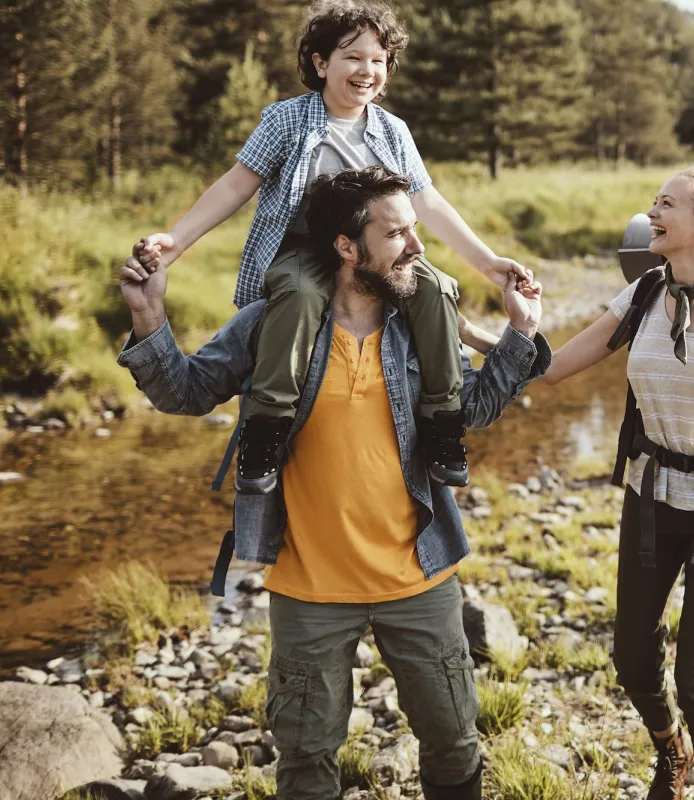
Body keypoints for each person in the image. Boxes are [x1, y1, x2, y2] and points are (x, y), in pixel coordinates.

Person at [118, 165, 551, 800]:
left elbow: (475, 410)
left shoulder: (419, 326)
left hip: (420, 578)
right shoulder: (272, 325)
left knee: (455, 745)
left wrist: (523, 329)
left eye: (413, 230)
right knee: (305, 762)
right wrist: (150, 315)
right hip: (308, 589)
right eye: (397, 234)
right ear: (347, 247)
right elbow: (184, 392)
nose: (417, 246)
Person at [463, 167, 694, 800]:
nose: (651, 213)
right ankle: (672, 748)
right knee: (632, 661)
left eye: (665, 204)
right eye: (654, 201)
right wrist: (471, 329)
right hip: (650, 499)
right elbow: (556, 369)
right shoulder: (644, 293)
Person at [130, 0, 532, 495]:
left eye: (378, 60)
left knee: (436, 286)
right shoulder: (287, 121)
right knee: (298, 296)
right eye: (352, 57)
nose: (367, 70)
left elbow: (427, 202)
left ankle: (443, 423)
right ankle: (266, 430)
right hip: (304, 250)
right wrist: (175, 241)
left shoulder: (392, 130)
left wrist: (488, 263)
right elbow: (235, 186)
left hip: (379, 254)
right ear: (321, 63)